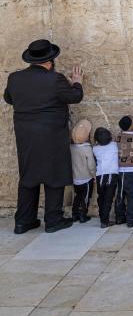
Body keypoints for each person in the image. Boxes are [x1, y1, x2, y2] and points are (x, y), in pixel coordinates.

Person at [4, 39, 83, 234]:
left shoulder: (15, 78)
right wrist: (77, 83)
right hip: (51, 136)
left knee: (28, 177)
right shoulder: (55, 79)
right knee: (54, 175)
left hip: (26, 137)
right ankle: (53, 220)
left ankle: (23, 221)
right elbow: (74, 97)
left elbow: (8, 98)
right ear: (51, 60)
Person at [115, 115, 133, 228]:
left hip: (120, 169)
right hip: (132, 170)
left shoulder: (118, 137)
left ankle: (119, 217)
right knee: (132, 196)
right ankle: (131, 219)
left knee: (120, 194)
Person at [92, 127, 119, 228]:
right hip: (112, 174)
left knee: (101, 197)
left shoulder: (95, 149)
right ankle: (105, 221)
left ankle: (102, 217)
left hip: (100, 175)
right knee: (108, 199)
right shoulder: (114, 145)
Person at [70, 119, 95, 224]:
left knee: (77, 196)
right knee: (85, 198)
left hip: (75, 178)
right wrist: (94, 175)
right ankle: (83, 215)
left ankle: (74, 214)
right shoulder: (87, 148)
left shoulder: (71, 147)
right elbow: (91, 165)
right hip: (86, 178)